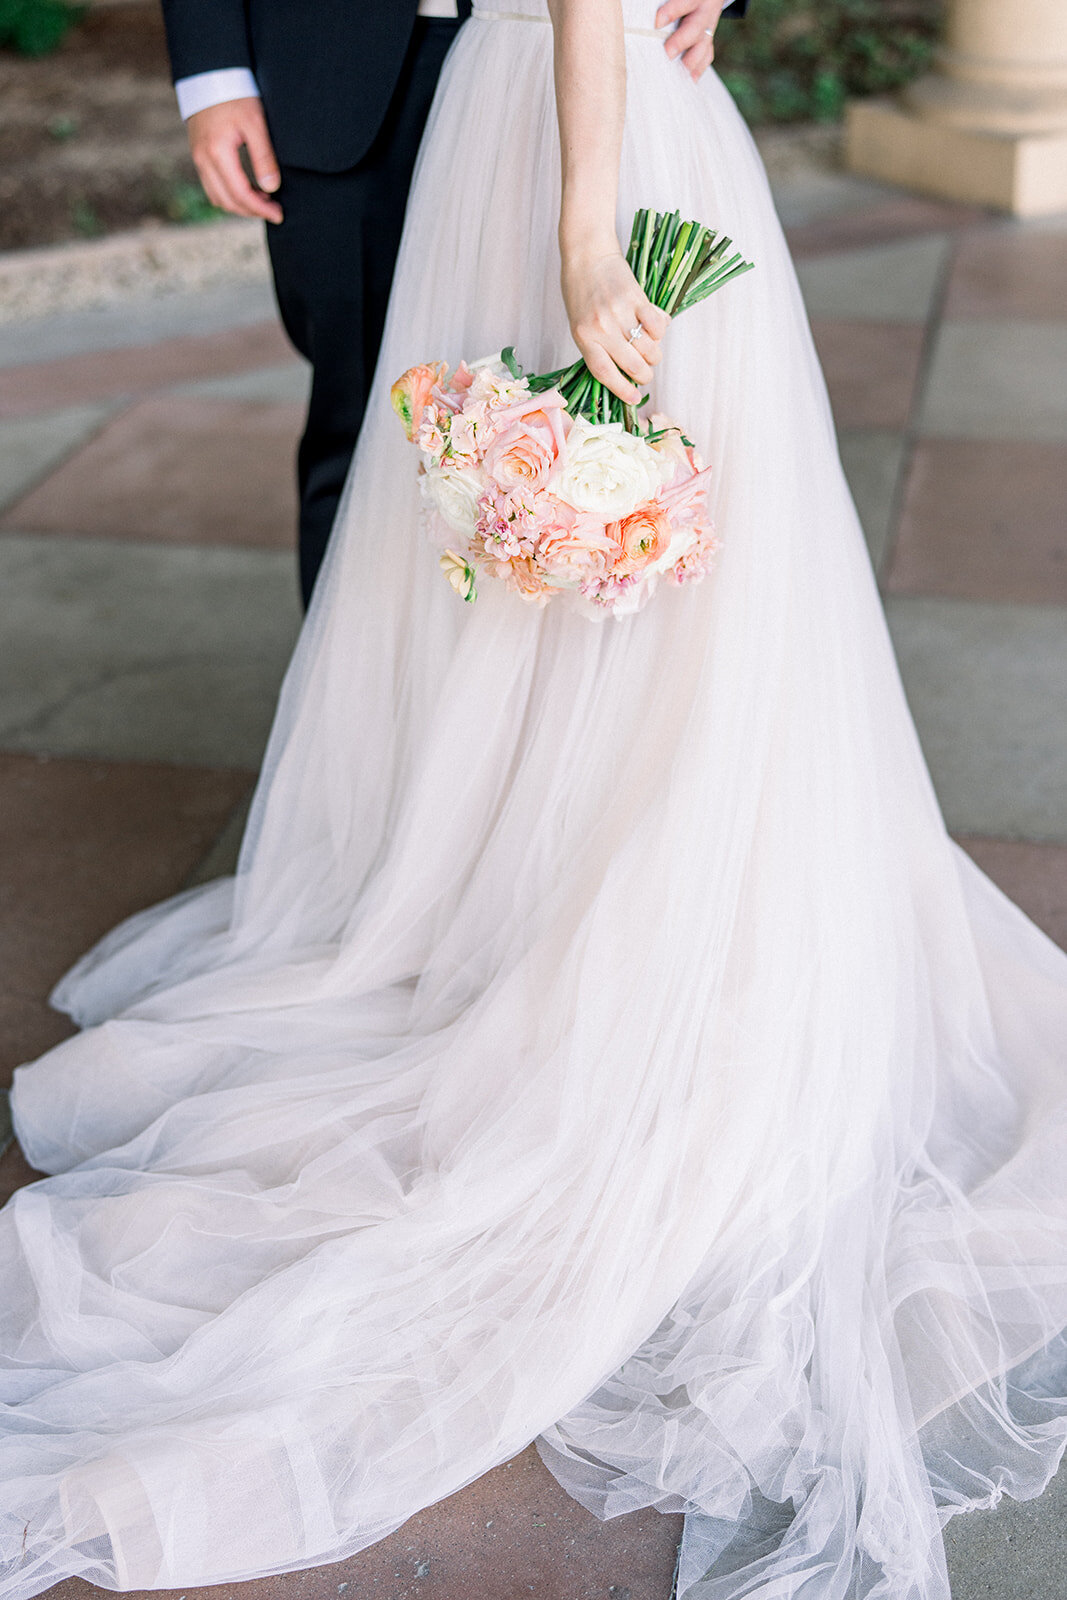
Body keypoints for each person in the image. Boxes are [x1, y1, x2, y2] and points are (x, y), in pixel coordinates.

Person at [2, 3, 1066, 1599]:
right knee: (460, 501)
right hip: (545, 99)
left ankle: (520, 893)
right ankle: (473, 860)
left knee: (583, 516)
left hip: (585, 98)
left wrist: (589, 217)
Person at [162, 0, 747, 605]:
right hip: (348, 66)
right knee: (368, 431)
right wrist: (214, 69)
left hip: (610, 66)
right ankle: (363, 686)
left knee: (632, 433)